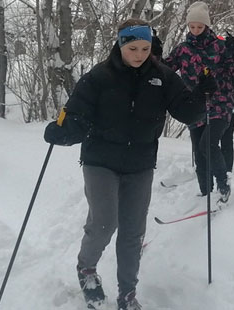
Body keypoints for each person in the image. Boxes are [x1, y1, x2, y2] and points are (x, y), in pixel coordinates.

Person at [44, 19, 205, 310]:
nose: (140, 54)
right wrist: (63, 132)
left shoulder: (163, 77)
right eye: (133, 48)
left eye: (145, 48)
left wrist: (202, 94)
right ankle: (86, 268)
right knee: (105, 222)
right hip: (100, 161)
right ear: (120, 45)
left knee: (133, 232)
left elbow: (188, 114)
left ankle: (127, 294)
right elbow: (78, 115)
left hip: (140, 163)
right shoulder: (99, 77)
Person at [163, 1, 234, 201]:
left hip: (221, 103)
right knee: (200, 155)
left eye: (199, 27)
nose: (195, 31)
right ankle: (205, 194)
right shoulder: (182, 50)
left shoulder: (220, 46)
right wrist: (154, 54)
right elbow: (164, 70)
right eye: (192, 27)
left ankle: (223, 184)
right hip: (195, 106)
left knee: (207, 145)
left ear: (207, 26)